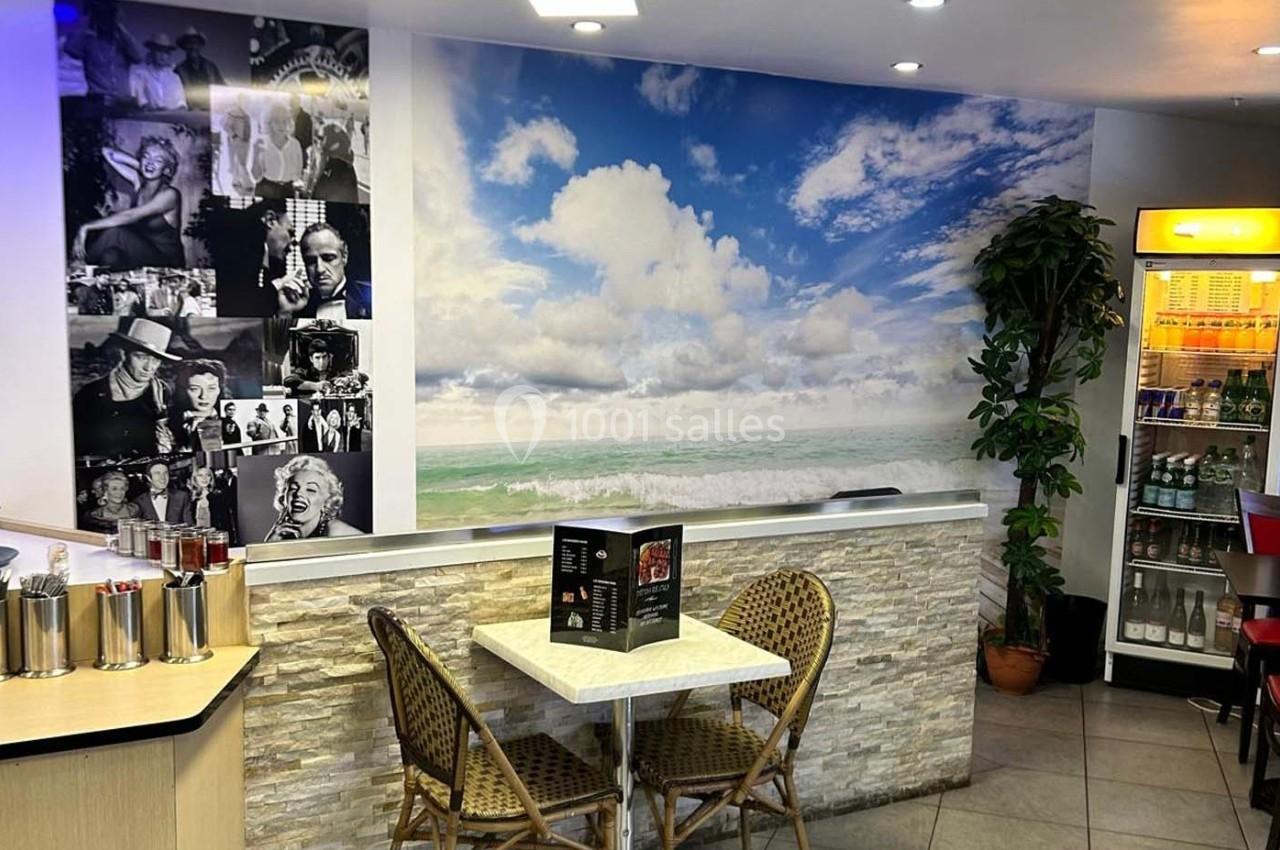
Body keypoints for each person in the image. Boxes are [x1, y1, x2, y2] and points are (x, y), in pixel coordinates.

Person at [72, 318, 178, 459]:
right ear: (124, 354)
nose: (149, 367)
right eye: (141, 357)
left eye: (156, 360)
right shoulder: (90, 395)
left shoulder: (163, 393)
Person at [73, 137, 185, 270]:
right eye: (146, 156)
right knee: (111, 256)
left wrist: (85, 227)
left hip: (166, 261)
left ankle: (78, 269)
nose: (150, 161)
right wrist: (145, 166)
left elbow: (130, 216)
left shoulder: (170, 195)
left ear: (167, 169)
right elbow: (107, 152)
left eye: (158, 160)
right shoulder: (139, 184)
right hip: (141, 252)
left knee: (116, 233)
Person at [209, 198, 293, 316]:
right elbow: (242, 306)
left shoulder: (246, 241)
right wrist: (281, 283)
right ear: (270, 220)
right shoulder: (246, 239)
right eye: (290, 232)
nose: (291, 247)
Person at [276, 223, 371, 320]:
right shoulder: (297, 305)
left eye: (328, 258)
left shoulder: (371, 297)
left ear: (344, 256)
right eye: (311, 261)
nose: (319, 269)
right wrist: (285, 312)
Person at [62, 0, 144, 103]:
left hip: (122, 101)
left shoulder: (122, 43)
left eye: (109, 16)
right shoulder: (88, 41)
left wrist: (119, 25)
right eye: (103, 17)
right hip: (97, 101)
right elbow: (69, 49)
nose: (106, 21)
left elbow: (138, 58)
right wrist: (86, 21)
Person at [264, 455, 362, 540]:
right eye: (293, 488)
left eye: (311, 489)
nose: (298, 494)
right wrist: (270, 542)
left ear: (327, 501)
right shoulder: (282, 534)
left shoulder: (337, 533)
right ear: (283, 496)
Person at [167, 358, 226, 451]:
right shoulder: (167, 422)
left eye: (211, 388)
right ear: (183, 390)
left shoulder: (230, 420)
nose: (203, 396)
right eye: (195, 389)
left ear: (220, 390)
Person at [251, 101, 303, 199]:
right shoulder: (261, 142)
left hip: (287, 192)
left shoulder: (295, 145)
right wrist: (256, 154)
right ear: (269, 123)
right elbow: (256, 177)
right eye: (277, 121)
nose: (281, 125)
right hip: (265, 190)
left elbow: (297, 174)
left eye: (285, 121)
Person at [129, 33, 187, 111]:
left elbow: (181, 103)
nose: (163, 56)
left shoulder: (174, 78)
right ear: (152, 51)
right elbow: (141, 102)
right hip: (150, 120)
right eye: (159, 51)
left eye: (166, 52)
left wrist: (176, 112)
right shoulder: (141, 74)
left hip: (172, 120)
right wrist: (155, 110)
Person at [173, 27, 225, 111]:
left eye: (195, 43)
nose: (193, 47)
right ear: (184, 47)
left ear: (200, 46)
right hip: (190, 116)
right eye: (189, 43)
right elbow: (176, 97)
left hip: (212, 112)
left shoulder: (211, 66)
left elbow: (222, 88)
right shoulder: (178, 70)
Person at [311, 123, 358, 202]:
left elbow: (317, 198)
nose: (319, 144)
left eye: (321, 139)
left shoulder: (331, 170)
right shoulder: (348, 167)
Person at [215, 101, 254, 197]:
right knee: (239, 161)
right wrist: (233, 134)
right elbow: (224, 123)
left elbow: (248, 128)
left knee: (241, 160)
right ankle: (246, 183)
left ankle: (237, 180)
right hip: (235, 139)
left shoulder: (246, 115)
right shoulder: (231, 112)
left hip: (245, 140)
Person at [189, 466, 235, 533]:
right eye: (200, 475)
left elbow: (226, 523)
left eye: (207, 475)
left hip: (214, 538)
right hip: (197, 538)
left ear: (211, 478)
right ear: (195, 478)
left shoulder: (218, 498)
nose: (204, 478)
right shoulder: (190, 499)